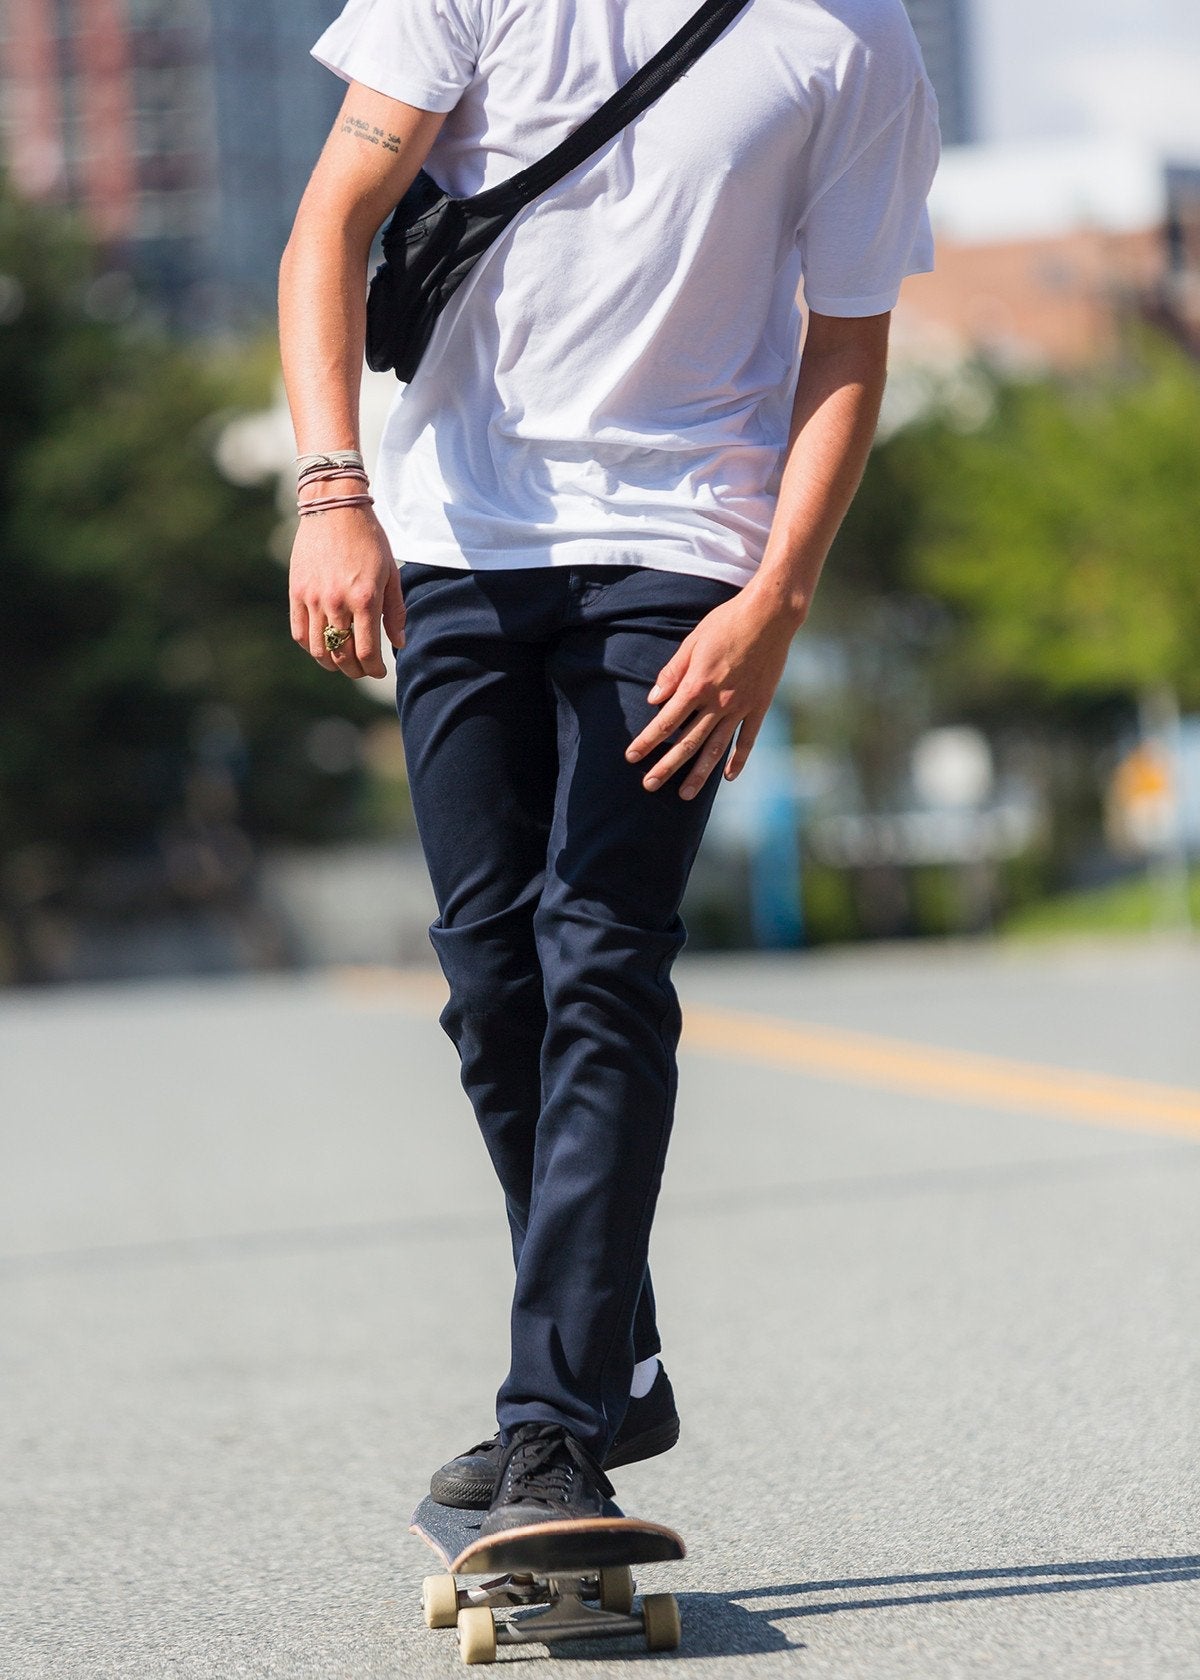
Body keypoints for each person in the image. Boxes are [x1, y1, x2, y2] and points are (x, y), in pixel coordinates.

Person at [279, 0, 939, 1536]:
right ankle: (614, 1360)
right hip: (455, 539)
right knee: (493, 978)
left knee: (603, 955)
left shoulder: (858, 41)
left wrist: (774, 603)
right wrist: (331, 489)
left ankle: (553, 1424)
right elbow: (334, 218)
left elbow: (848, 342)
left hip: (682, 552)